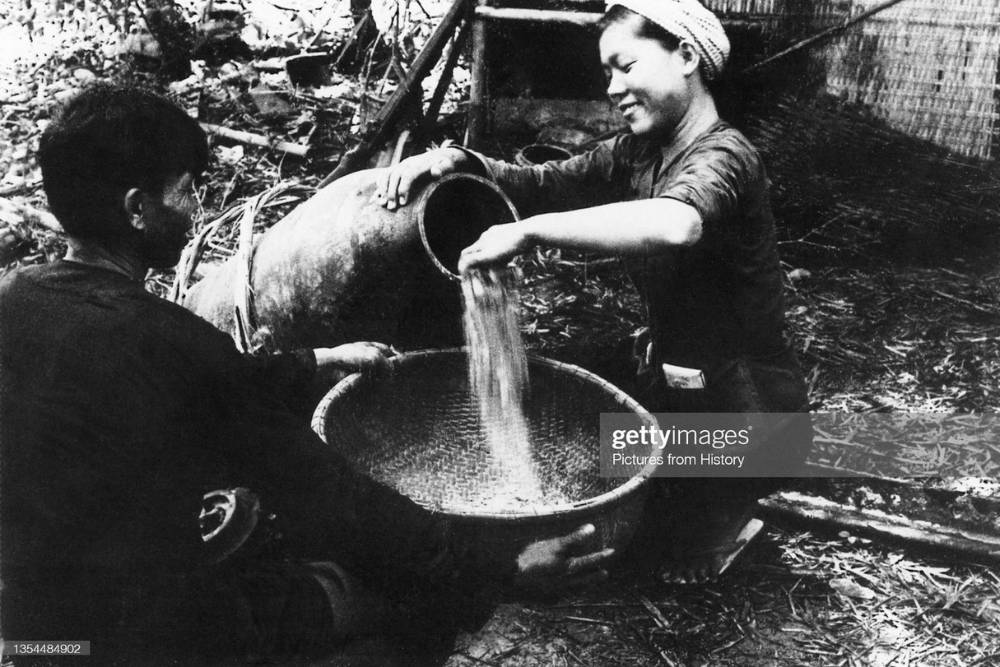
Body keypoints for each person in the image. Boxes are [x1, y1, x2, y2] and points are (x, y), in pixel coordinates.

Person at [0, 83, 614, 665]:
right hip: (133, 638)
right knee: (392, 597)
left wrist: (319, 361)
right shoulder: (162, 338)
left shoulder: (17, 296)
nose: (195, 209)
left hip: (32, 627)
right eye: (186, 191)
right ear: (138, 210)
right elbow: (329, 497)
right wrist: (500, 569)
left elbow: (202, 385)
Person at [375, 0, 812, 584]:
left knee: (639, 547)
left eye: (625, 65)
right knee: (578, 466)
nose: (613, 87)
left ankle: (727, 515)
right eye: (607, 73)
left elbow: (675, 223)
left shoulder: (723, 155)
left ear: (686, 56)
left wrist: (527, 233)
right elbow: (545, 182)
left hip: (752, 407)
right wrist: (460, 159)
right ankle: (700, 497)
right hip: (680, 383)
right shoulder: (639, 153)